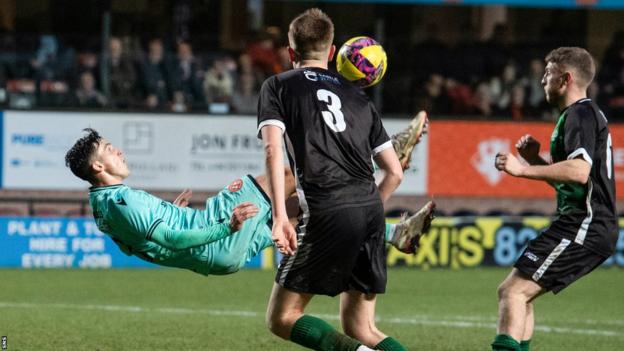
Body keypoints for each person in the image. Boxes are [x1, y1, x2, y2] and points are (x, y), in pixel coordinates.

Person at [65, 126, 433, 278]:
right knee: (287, 178)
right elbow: (172, 241)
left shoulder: (103, 206)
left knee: (300, 214)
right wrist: (224, 226)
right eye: (111, 151)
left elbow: (134, 249)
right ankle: (380, 157)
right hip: (217, 237)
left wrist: (175, 214)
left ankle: (394, 233)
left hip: (218, 256)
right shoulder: (119, 202)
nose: (120, 151)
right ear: (99, 166)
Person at [258, 8, 409, 351]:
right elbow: (395, 171)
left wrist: (281, 216)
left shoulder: (278, 86)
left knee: (282, 318)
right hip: (370, 208)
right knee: (362, 327)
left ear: (291, 51)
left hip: (326, 207)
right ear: (332, 51)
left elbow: (272, 150)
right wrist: (365, 216)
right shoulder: (359, 97)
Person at [493, 47, 617, 351]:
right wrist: (536, 160)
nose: (542, 81)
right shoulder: (581, 114)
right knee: (521, 296)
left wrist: (522, 170)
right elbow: (572, 183)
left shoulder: (580, 114)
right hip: (581, 223)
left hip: (585, 225)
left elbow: (579, 172)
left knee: (513, 292)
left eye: (547, 73)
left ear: (566, 78)